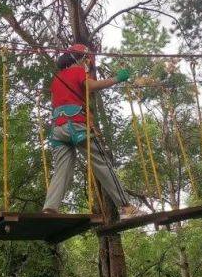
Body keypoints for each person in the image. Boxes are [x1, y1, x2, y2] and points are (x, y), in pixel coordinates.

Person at [42, 43, 136, 217]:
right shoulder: (78, 71)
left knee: (62, 168)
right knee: (101, 162)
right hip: (76, 125)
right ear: (82, 58)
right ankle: (125, 206)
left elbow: (60, 101)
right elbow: (90, 86)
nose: (87, 65)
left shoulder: (57, 78)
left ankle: (50, 207)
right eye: (87, 61)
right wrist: (117, 79)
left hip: (57, 129)